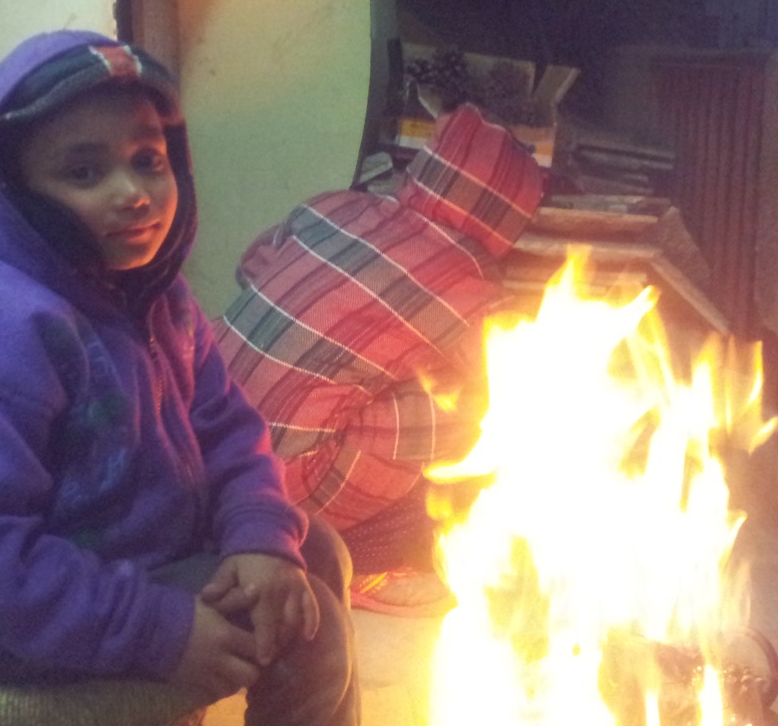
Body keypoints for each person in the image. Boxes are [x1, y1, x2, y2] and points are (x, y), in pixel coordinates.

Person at [0, 30, 358, 725]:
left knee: (313, 550)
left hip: (135, 553)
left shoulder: (154, 298)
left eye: (148, 160)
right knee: (310, 635)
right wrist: (158, 630)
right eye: (83, 173)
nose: (133, 193)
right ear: (18, 193)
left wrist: (258, 537)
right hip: (13, 619)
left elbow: (228, 430)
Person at [213, 100, 546, 616]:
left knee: (377, 372)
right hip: (280, 493)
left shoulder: (333, 207)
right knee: (477, 414)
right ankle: (366, 563)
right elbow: (502, 399)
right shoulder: (473, 292)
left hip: (207, 433)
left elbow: (251, 266)